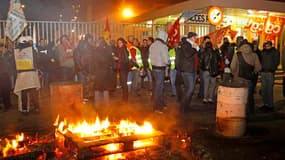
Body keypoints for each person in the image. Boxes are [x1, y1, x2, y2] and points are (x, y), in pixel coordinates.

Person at [230, 41, 261, 115]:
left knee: (238, 96)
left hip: (238, 79)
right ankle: (249, 112)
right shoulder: (254, 55)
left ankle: (239, 112)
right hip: (249, 79)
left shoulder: (237, 54)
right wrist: (254, 72)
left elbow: (232, 66)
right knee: (249, 96)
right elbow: (259, 67)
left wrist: (234, 74)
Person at [14, 36, 41, 114]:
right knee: (33, 91)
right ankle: (37, 108)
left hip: (22, 74)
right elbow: (37, 60)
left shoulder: (16, 51)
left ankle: (25, 109)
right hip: (31, 73)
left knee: (24, 92)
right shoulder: (31, 50)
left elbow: (14, 63)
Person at [149, 31, 170, 113]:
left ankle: (161, 104)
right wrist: (168, 62)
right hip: (160, 69)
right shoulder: (163, 46)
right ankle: (157, 107)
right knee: (159, 89)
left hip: (153, 69)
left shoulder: (152, 45)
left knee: (157, 87)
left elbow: (150, 57)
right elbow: (166, 60)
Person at [179, 32, 199, 113]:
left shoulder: (192, 45)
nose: (196, 39)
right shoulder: (186, 44)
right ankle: (183, 107)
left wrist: (197, 49)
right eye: (195, 37)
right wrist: (194, 48)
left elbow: (198, 55)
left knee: (189, 89)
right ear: (191, 37)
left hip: (192, 70)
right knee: (190, 89)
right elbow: (187, 54)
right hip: (187, 70)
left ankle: (187, 106)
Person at [93, 38, 114, 107]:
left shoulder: (96, 51)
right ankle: (106, 104)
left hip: (98, 72)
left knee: (97, 88)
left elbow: (93, 61)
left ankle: (97, 104)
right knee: (105, 88)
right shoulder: (108, 50)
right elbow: (111, 61)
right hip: (106, 72)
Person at [259, 41, 280, 112]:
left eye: (268, 45)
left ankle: (270, 105)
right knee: (264, 89)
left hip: (270, 72)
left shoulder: (274, 52)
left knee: (269, 89)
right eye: (265, 45)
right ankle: (265, 104)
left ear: (271, 45)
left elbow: (276, 61)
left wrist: (273, 68)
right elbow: (260, 60)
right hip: (263, 72)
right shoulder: (263, 52)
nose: (266, 46)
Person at [114, 38, 130, 103]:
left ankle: (125, 98)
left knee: (124, 83)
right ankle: (124, 97)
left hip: (124, 69)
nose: (119, 44)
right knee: (123, 83)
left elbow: (125, 60)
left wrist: (118, 59)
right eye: (118, 43)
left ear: (123, 43)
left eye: (120, 42)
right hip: (121, 68)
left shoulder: (124, 49)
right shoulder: (119, 49)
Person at [0, 41, 13, 111]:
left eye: (4, 48)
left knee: (7, 90)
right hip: (1, 76)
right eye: (2, 48)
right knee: (3, 91)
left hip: (6, 75)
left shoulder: (7, 55)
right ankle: (6, 105)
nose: (4, 49)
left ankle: (8, 104)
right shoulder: (2, 56)